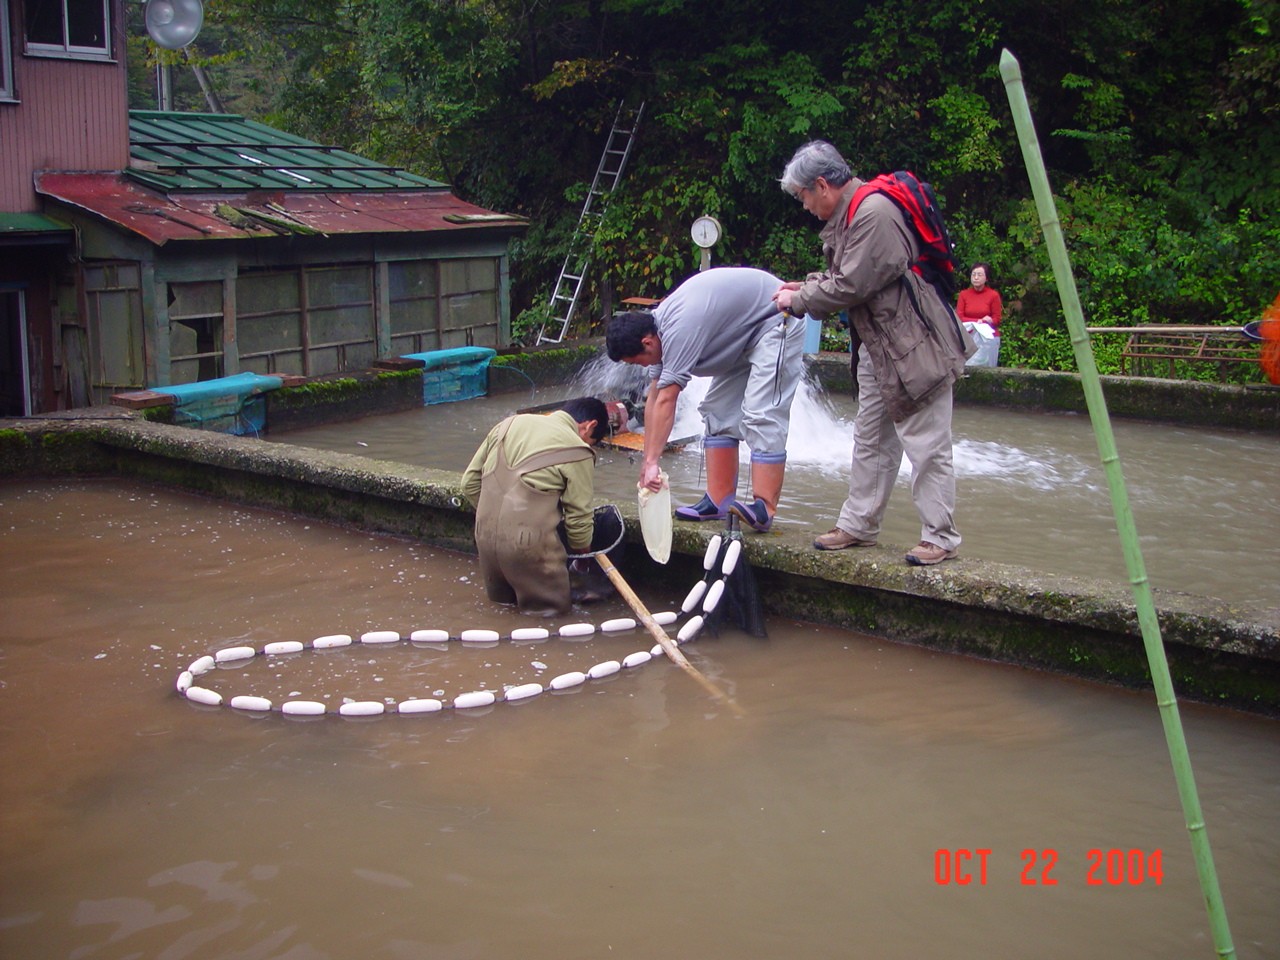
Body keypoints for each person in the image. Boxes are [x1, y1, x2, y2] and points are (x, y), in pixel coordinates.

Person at [774, 141, 974, 565]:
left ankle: (940, 536)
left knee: (927, 444)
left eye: (803, 196)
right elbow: (848, 275)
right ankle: (859, 524)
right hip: (880, 346)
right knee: (871, 439)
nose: (804, 206)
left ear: (822, 185)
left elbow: (852, 285)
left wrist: (801, 300)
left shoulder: (873, 213)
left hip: (914, 345)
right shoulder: (854, 214)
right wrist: (806, 286)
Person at [605, 266, 804, 533]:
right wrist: (647, 462)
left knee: (761, 413)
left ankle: (764, 508)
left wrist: (652, 463)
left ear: (647, 343)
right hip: (742, 334)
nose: (642, 367)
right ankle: (719, 502)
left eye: (637, 361)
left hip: (776, 318)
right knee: (717, 412)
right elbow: (655, 396)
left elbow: (667, 399)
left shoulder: (679, 329)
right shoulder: (656, 329)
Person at [461, 397, 615, 616]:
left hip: (485, 537)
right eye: (591, 440)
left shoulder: (507, 424)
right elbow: (579, 520)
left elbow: (469, 484)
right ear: (590, 426)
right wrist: (584, 556)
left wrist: (500, 519)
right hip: (529, 545)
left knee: (501, 613)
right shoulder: (579, 450)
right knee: (549, 620)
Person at [955, 262, 1003, 334]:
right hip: (968, 334)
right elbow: (959, 318)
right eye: (973, 275)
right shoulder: (963, 294)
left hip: (988, 335)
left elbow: (996, 320)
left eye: (979, 275)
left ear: (986, 278)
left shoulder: (993, 295)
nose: (976, 278)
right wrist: (980, 321)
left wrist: (990, 321)